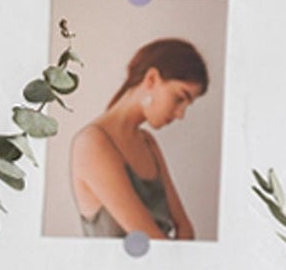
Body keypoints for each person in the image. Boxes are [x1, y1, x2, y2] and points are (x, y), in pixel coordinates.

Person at [71, 38, 208, 240]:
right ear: (151, 79)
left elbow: (185, 228)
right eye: (179, 98)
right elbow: (150, 240)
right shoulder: (92, 144)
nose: (181, 114)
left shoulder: (148, 142)